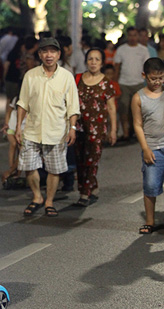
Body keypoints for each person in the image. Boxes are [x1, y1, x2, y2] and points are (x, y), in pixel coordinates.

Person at [15, 38, 80, 217]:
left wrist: (72, 128)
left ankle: (49, 200)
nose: (49, 55)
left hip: (57, 131)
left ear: (59, 55)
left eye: (53, 52)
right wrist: (18, 127)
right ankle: (37, 197)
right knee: (29, 166)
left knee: (54, 169)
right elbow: (22, 103)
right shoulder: (31, 75)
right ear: (40, 54)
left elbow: (73, 106)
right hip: (31, 130)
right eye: (45, 52)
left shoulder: (67, 77)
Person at [73, 48, 117, 207]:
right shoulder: (77, 79)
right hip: (79, 128)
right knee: (80, 160)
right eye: (90, 59)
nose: (93, 62)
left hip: (97, 129)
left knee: (92, 160)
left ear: (102, 63)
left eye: (97, 59)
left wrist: (113, 130)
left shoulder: (106, 83)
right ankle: (93, 186)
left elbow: (111, 108)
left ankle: (84, 194)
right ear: (86, 61)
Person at [131, 57, 164, 234]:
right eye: (153, 78)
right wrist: (145, 148)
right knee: (150, 186)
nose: (157, 82)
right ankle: (150, 221)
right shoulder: (139, 97)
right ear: (144, 76)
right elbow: (137, 124)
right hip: (152, 148)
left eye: (161, 78)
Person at [114, 26, 150, 141]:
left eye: (135, 35)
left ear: (137, 36)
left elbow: (147, 67)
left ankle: (135, 131)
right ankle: (125, 133)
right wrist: (115, 84)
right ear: (127, 36)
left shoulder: (143, 50)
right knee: (124, 109)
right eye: (130, 35)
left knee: (136, 110)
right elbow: (117, 68)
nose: (133, 38)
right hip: (124, 83)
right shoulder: (121, 50)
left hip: (138, 83)